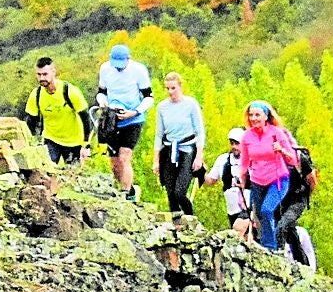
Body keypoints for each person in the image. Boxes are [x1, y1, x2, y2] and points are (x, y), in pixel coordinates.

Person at [236, 101, 298, 253]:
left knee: (267, 210)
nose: (254, 118)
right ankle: (264, 245)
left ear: (266, 116)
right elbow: (244, 163)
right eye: (251, 115)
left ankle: (270, 247)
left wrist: (282, 150)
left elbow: (293, 159)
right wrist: (240, 179)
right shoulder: (247, 137)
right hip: (257, 180)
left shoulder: (277, 133)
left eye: (257, 115)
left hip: (278, 179)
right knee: (257, 216)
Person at [95, 42, 153, 202]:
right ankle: (131, 188)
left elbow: (149, 97)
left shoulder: (139, 70)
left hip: (133, 118)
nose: (119, 68)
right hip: (112, 118)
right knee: (114, 162)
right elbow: (101, 92)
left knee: (124, 157)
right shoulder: (105, 69)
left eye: (122, 65)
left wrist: (135, 112)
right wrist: (103, 103)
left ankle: (126, 195)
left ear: (129, 59)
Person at [151, 72, 205, 215]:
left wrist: (199, 156)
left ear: (180, 87)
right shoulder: (162, 107)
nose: (170, 92)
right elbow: (159, 134)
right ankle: (176, 223)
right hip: (169, 149)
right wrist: (156, 160)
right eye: (167, 88)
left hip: (187, 149)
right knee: (170, 192)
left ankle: (190, 217)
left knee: (179, 192)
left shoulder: (191, 104)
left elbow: (200, 131)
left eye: (173, 88)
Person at [21, 56, 92, 165]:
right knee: (48, 171)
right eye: (38, 75)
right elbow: (31, 120)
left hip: (73, 141)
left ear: (53, 72)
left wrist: (86, 144)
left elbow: (85, 117)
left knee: (72, 174)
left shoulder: (69, 91)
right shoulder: (36, 94)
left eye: (45, 74)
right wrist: (30, 142)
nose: (41, 78)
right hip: (51, 139)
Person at [277, 137, 319, 270]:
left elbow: (312, 181)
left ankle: (277, 261)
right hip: (281, 199)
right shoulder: (272, 159)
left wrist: (303, 195)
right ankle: (303, 265)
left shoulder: (300, 159)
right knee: (291, 234)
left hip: (297, 198)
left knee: (282, 226)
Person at [208, 128, 251, 238]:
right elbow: (210, 180)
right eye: (232, 143)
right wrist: (199, 171)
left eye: (237, 143)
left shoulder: (252, 160)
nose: (234, 147)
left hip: (248, 206)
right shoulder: (223, 160)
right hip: (232, 209)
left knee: (237, 231)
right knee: (244, 239)